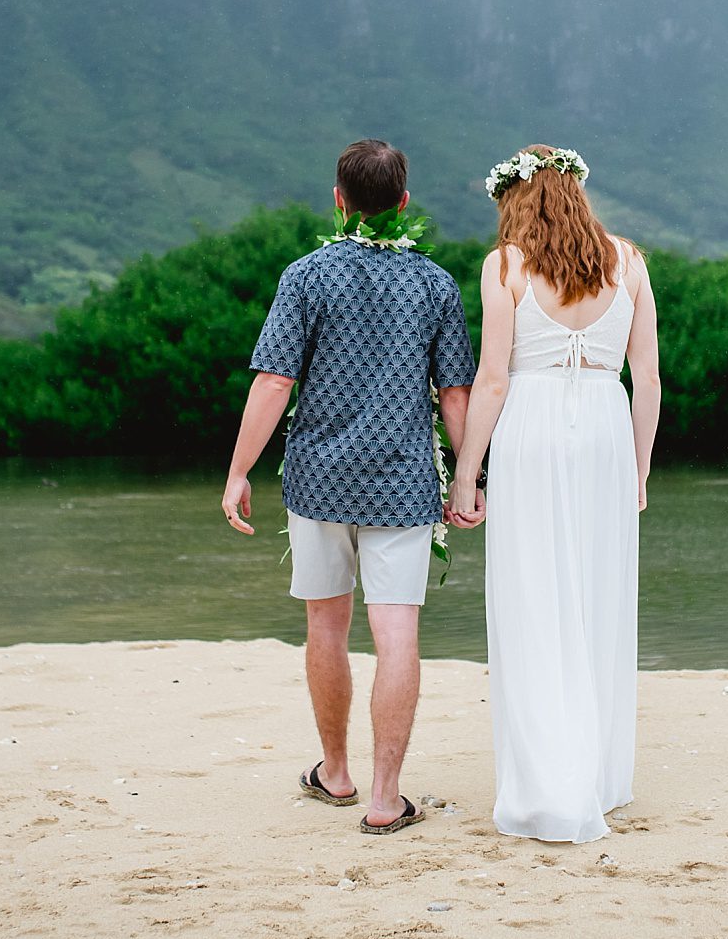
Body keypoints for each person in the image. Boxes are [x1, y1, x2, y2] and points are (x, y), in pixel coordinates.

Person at [221, 139, 477, 835]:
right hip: (402, 485)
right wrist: (472, 478)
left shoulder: (305, 275)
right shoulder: (436, 285)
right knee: (397, 635)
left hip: (318, 481)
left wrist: (240, 469)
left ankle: (335, 773)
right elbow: (456, 394)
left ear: (338, 199)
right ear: (403, 202)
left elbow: (275, 381)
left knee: (325, 628)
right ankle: (385, 798)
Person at [449, 144, 660, 844]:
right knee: (598, 597)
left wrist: (467, 472)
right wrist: (639, 467)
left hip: (532, 435)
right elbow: (648, 378)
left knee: (534, 599)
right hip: (603, 427)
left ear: (514, 197)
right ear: (576, 190)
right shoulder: (628, 260)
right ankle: (598, 777)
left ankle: (547, 781)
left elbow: (495, 380)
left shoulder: (505, 265)